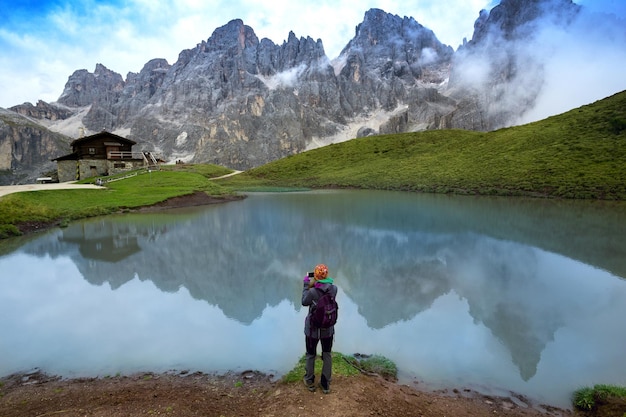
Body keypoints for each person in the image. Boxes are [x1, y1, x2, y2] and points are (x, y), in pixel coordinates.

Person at [302, 263, 338, 394]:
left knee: (311, 354)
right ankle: (325, 383)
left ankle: (310, 381)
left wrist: (306, 284)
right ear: (326, 275)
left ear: (316, 276)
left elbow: (304, 301)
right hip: (328, 329)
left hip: (312, 329)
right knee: (327, 354)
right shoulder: (334, 289)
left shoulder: (312, 291)